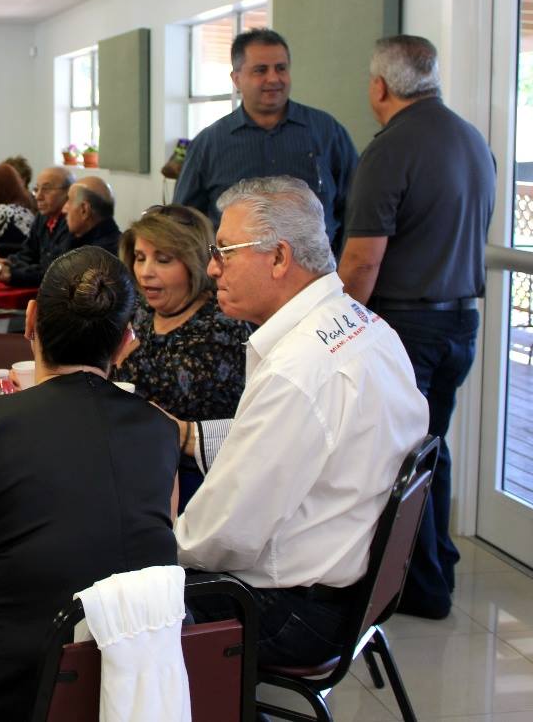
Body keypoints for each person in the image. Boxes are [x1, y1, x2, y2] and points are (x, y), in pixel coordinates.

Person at [0, 246, 180, 721]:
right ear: (126, 340)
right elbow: (134, 563)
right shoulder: (162, 431)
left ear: (30, 320)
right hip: (138, 682)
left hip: (20, 695)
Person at [170, 176, 427, 668]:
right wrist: (191, 437)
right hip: (354, 592)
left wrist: (148, 546)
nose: (211, 267)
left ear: (280, 257)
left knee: (110, 596)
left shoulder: (298, 369)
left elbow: (222, 536)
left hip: (294, 613)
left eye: (224, 251)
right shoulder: (367, 325)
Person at [338, 35, 496, 620]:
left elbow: (362, 260)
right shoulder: (471, 139)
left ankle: (421, 586)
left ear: (379, 86)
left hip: (408, 324)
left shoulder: (390, 148)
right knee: (432, 449)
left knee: (403, 456)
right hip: (462, 322)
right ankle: (437, 564)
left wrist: (338, 328)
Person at [172, 28, 358, 252]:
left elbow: (355, 208)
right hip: (235, 278)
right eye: (260, 70)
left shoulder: (326, 131)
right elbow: (184, 223)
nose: (273, 78)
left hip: (317, 276)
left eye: (281, 68)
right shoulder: (208, 144)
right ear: (236, 78)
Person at [114, 204, 250, 506]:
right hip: (132, 469)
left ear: (194, 263)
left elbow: (161, 408)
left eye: (163, 260)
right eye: (139, 258)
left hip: (197, 483)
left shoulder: (222, 326)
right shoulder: (140, 312)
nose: (145, 272)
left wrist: (120, 361)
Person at [0, 166, 73, 288]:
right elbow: (27, 253)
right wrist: (4, 262)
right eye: (36, 189)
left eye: (46, 189)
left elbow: (53, 271)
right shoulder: (43, 217)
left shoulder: (72, 223)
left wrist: (12, 274)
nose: (38, 196)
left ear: (69, 192)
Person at [61, 176, 122, 255]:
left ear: (84, 210)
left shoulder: (98, 257)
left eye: (69, 200)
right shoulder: (75, 238)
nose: (63, 210)